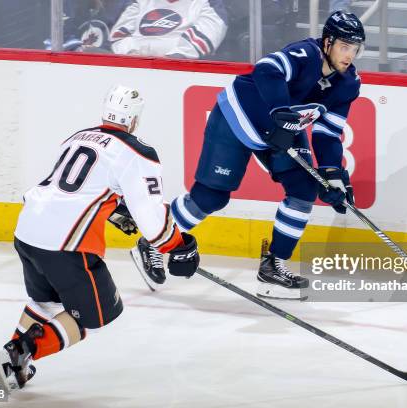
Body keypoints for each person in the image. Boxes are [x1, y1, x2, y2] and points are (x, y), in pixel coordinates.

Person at [131, 11, 364, 300]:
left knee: (304, 188)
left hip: (285, 129)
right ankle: (152, 241)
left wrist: (333, 175)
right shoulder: (306, 54)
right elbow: (267, 69)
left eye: (355, 49)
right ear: (327, 42)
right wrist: (280, 111)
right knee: (210, 198)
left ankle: (273, 266)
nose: (349, 55)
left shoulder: (349, 83)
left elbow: (328, 135)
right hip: (239, 115)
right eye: (344, 46)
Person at [0, 85, 200, 391]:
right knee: (96, 316)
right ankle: (19, 352)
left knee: (45, 301)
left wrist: (114, 210)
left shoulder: (77, 137)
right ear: (135, 119)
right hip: (65, 244)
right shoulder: (137, 151)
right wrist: (178, 247)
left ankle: (11, 367)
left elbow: (76, 189)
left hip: (28, 231)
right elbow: (152, 219)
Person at [109, 0, 228, 59]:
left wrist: (168, 60)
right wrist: (132, 55)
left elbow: (204, 39)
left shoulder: (207, 3)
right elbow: (117, 38)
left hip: (179, 75)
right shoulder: (140, 2)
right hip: (129, 69)